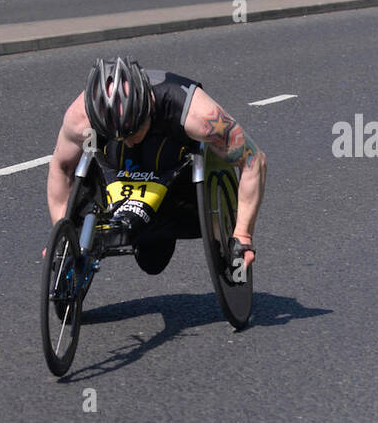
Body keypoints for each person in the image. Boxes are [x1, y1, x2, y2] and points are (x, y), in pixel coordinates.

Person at [47, 57, 266, 271]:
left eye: (133, 131)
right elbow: (61, 167)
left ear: (148, 108)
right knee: (151, 258)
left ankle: (162, 223)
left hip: (174, 160)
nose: (129, 141)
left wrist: (243, 235)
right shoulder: (79, 119)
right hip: (115, 162)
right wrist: (64, 237)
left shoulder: (198, 115)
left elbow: (253, 160)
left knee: (153, 260)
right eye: (120, 136)